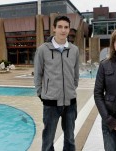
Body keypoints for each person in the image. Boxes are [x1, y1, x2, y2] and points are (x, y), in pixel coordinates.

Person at [34, 15, 79, 151]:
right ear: (54, 28)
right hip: (50, 103)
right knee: (48, 140)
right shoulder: (43, 50)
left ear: (69, 29)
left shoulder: (74, 50)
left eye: (66, 27)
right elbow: (38, 74)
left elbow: (75, 75)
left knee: (70, 139)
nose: (63, 30)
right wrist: (42, 94)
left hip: (70, 103)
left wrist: (71, 90)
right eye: (60, 27)